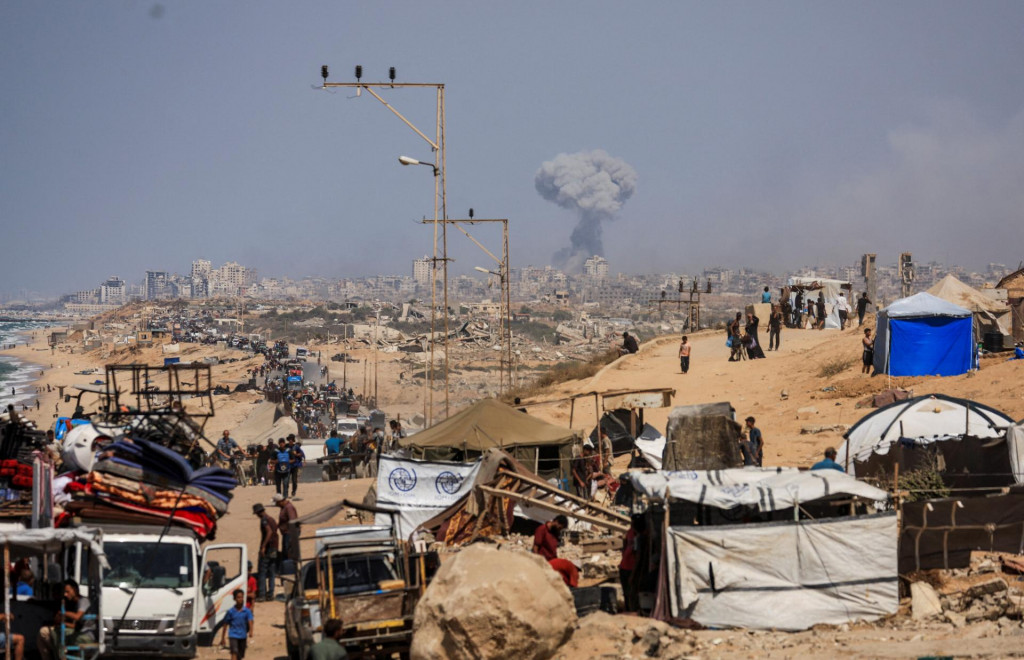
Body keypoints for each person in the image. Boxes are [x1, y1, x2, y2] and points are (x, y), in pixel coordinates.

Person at [38, 579, 94, 660]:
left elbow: (77, 617)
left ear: (74, 590)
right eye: (64, 592)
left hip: (85, 635)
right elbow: (74, 625)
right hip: (78, 633)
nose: (65, 594)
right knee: (48, 635)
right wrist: (61, 623)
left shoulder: (83, 601)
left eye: (67, 591)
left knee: (51, 633)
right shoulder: (75, 603)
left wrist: (63, 613)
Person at [619, 515, 646, 613]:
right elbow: (625, 543)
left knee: (632, 593)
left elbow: (638, 556)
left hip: (632, 568)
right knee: (626, 593)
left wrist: (634, 573)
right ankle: (628, 609)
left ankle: (632, 611)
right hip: (624, 566)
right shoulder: (630, 532)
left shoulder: (641, 537)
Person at [253, 503, 279, 601]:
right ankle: (270, 594)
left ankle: (262, 595)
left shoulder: (264, 520)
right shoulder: (271, 519)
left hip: (268, 548)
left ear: (259, 512)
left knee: (262, 571)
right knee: (272, 572)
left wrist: (263, 547)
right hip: (274, 548)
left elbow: (269, 532)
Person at [219, 589, 253, 660]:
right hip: (233, 635)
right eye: (238, 597)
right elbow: (225, 624)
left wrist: (251, 631)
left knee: (240, 655)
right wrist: (223, 638)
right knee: (234, 651)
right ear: (234, 599)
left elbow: (250, 621)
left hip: (243, 635)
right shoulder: (231, 611)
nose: (240, 599)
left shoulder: (247, 611)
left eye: (242, 597)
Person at [273, 493, 299, 561]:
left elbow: (292, 521)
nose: (276, 505)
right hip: (286, 533)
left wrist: (292, 537)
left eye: (277, 503)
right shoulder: (284, 507)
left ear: (281, 501)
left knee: (288, 552)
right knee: (285, 551)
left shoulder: (289, 508)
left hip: (289, 533)